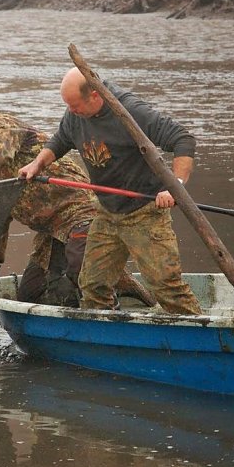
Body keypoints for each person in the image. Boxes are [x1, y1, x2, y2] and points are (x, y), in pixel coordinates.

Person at [0, 96, 154, 307]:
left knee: (83, 271)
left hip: (80, 213)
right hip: (52, 232)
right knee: (31, 294)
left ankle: (114, 306)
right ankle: (110, 292)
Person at [19, 68, 202, 316]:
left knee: (166, 287)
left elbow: (183, 139)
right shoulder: (75, 114)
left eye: (75, 106)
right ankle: (108, 332)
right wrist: (36, 164)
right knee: (93, 284)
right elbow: (60, 140)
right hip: (107, 213)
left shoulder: (130, 112)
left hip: (144, 212)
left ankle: (196, 334)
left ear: (95, 95)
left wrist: (175, 186)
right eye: (68, 106)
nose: (72, 112)